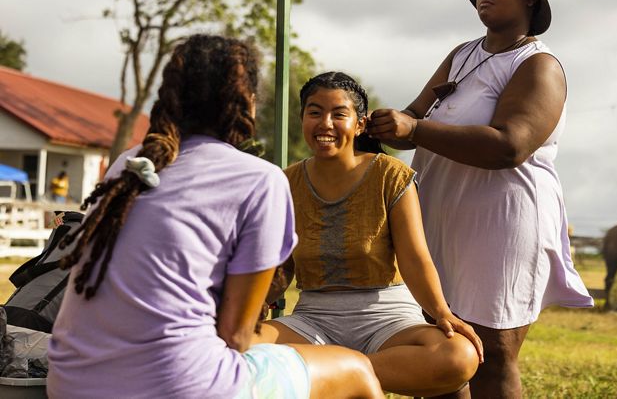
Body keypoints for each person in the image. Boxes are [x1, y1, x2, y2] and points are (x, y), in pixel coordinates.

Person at [47, 35, 384, 399]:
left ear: (170, 97)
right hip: (178, 387)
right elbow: (235, 337)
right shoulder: (261, 179)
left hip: (71, 382)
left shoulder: (127, 167)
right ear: (248, 104)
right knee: (357, 370)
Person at [366, 0, 594, 399]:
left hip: (502, 226)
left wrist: (416, 128)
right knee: (442, 348)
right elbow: (415, 119)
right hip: (442, 219)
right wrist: (382, 125)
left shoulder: (538, 65)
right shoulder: (462, 55)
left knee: (490, 354)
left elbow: (511, 144)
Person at [253, 71, 482, 397]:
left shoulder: (391, 175)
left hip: (389, 320)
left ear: (359, 124)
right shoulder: (285, 182)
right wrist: (253, 306)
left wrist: (443, 313)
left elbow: (414, 257)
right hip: (313, 319)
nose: (325, 124)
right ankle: (343, 371)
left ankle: (336, 373)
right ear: (302, 118)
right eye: (314, 112)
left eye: (338, 114)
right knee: (233, 346)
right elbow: (279, 264)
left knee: (457, 356)